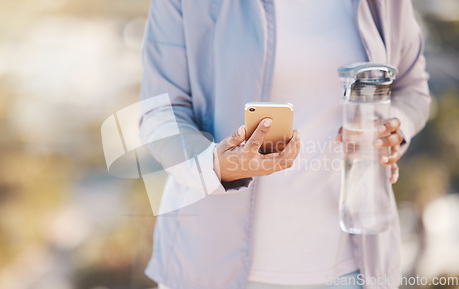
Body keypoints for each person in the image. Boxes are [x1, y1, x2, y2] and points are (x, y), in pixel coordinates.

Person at [138, 0, 431, 288]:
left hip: (354, 269)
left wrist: (392, 126)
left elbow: (413, 89)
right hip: (211, 267)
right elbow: (159, 111)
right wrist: (214, 164)